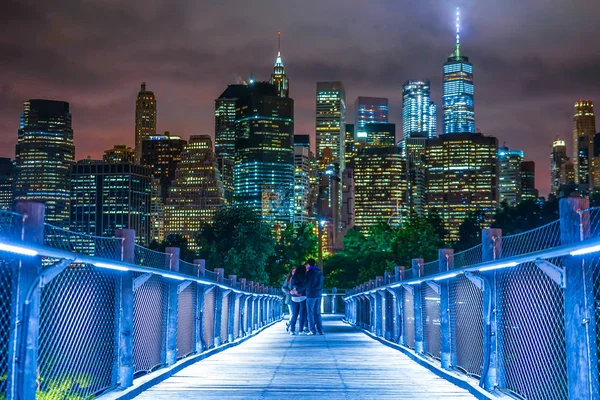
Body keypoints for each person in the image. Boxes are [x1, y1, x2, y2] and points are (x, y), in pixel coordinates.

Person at [305, 258, 324, 335]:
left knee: (310, 313)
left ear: (309, 265)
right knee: (317, 312)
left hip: (310, 294)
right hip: (318, 294)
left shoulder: (309, 273)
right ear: (315, 264)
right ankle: (320, 330)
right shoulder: (320, 272)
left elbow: (306, 283)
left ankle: (312, 330)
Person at [289, 265, 307, 335]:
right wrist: (299, 290)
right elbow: (305, 286)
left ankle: (292, 330)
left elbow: (292, 285)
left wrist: (295, 290)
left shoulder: (293, 277)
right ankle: (300, 330)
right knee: (302, 315)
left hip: (294, 297)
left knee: (294, 314)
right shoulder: (305, 277)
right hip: (303, 297)